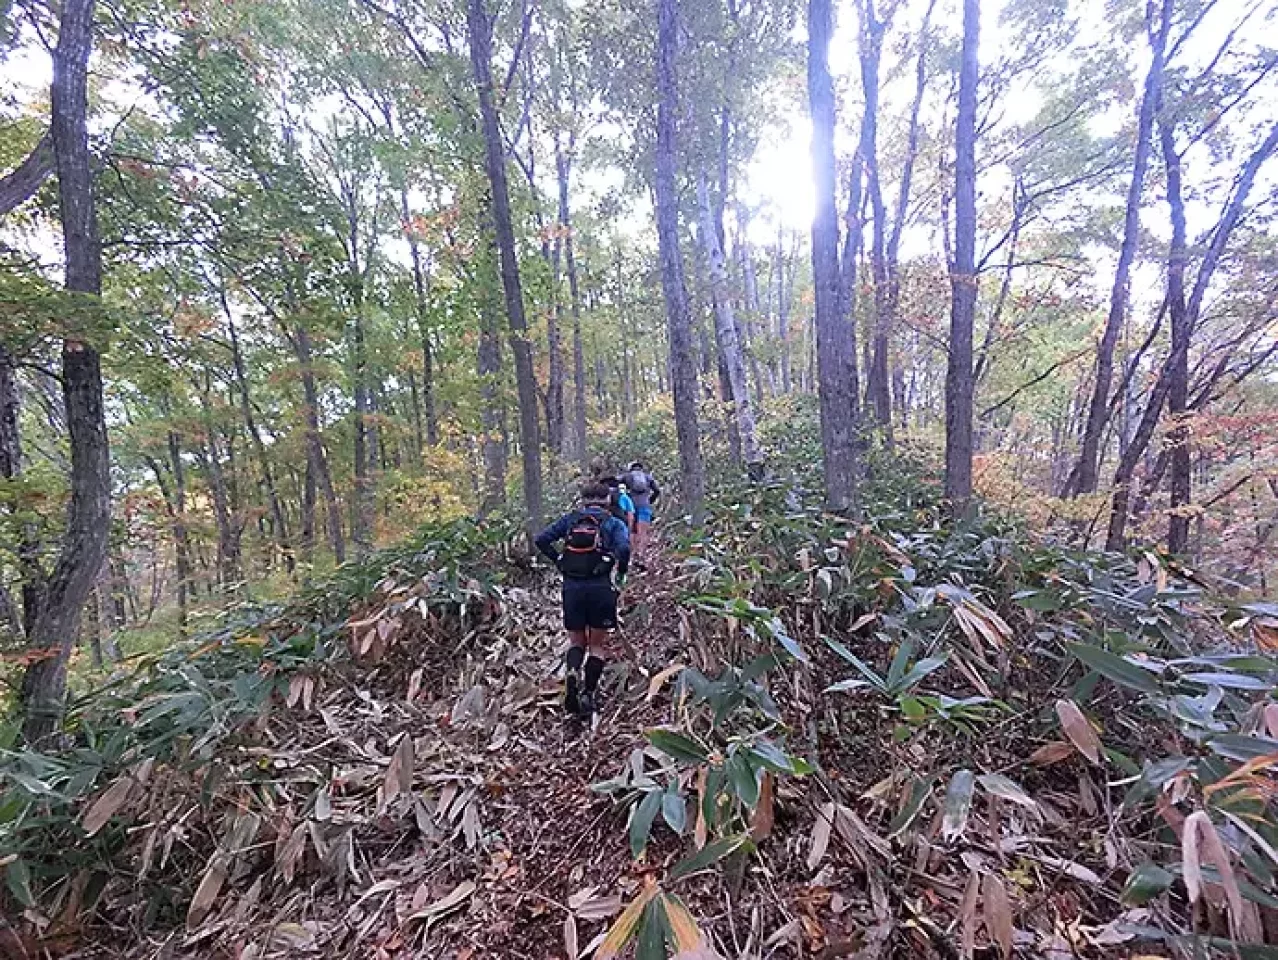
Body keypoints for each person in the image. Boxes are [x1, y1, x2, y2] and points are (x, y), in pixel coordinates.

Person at [534, 481, 631, 720]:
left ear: (583, 500)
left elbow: (541, 539)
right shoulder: (612, 523)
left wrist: (558, 559)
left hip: (572, 588)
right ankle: (588, 692)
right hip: (601, 588)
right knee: (597, 645)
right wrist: (620, 573)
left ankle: (573, 671)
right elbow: (625, 548)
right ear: (607, 500)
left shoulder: (570, 520)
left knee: (577, 642)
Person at [623, 461, 659, 568]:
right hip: (645, 506)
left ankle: (632, 557)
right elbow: (657, 491)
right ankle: (641, 556)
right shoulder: (648, 477)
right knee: (643, 533)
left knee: (632, 531)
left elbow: (615, 485)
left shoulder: (627, 477)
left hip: (631, 507)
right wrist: (650, 500)